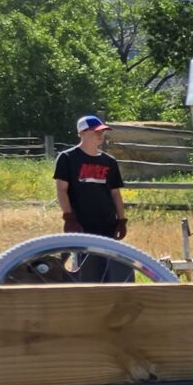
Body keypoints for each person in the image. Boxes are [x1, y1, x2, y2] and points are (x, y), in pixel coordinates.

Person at [53, 115, 129, 280]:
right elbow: (61, 190)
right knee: (86, 269)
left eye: (102, 132)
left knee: (109, 269)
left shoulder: (109, 161)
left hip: (107, 222)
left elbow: (115, 193)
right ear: (82, 133)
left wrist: (121, 220)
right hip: (82, 223)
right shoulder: (67, 158)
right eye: (96, 132)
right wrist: (69, 217)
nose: (101, 135)